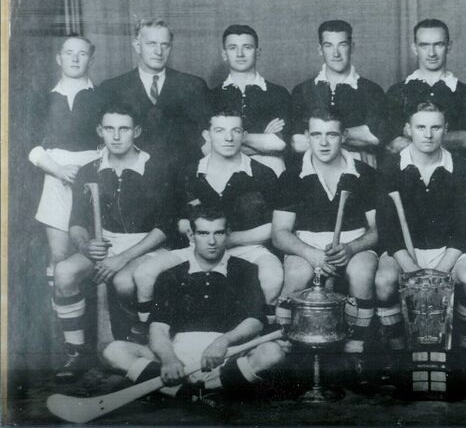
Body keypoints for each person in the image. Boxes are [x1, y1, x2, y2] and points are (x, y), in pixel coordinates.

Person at [103, 205, 289, 403]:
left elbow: (255, 321)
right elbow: (158, 328)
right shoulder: (171, 274)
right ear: (191, 235)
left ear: (227, 234)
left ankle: (193, 389)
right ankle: (201, 391)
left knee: (273, 353)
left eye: (218, 233)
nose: (211, 241)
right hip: (179, 353)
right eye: (203, 233)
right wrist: (169, 359)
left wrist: (222, 342)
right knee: (114, 351)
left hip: (227, 353)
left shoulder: (246, 269)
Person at [130, 109, 283, 343]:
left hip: (247, 248)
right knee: (144, 273)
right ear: (207, 135)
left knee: (272, 276)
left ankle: (263, 337)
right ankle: (149, 337)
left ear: (244, 135)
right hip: (196, 248)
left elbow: (275, 226)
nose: (228, 138)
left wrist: (232, 239)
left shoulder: (264, 174)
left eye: (236, 130)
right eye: (220, 131)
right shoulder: (188, 173)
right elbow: (173, 222)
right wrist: (203, 236)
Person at [53, 102, 173, 382]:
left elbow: (165, 228)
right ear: (100, 131)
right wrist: (85, 246)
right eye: (109, 129)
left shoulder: (157, 168)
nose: (116, 136)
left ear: (137, 131)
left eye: (124, 129)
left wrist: (122, 259)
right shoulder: (89, 170)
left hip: (148, 245)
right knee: (64, 272)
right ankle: (77, 351)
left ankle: (138, 343)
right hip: (105, 244)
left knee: (125, 281)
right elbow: (77, 223)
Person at [272, 109, 379, 380]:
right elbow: (280, 234)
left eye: (331, 134)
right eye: (316, 134)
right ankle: (285, 349)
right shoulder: (292, 175)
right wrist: (312, 254)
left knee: (362, 271)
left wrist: (352, 248)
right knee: (297, 273)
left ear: (343, 136)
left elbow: (378, 229)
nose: (323, 142)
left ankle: (355, 349)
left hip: (352, 242)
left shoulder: (364, 172)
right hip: (305, 243)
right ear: (307, 137)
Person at [375, 101, 466, 353]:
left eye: (435, 127)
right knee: (384, 281)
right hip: (403, 252)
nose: (428, 134)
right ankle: (398, 351)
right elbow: (387, 229)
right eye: (420, 127)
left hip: (449, 251)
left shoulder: (461, 167)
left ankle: (464, 352)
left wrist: (439, 274)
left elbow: (464, 227)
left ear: (445, 129)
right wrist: (412, 271)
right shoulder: (391, 167)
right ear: (408, 129)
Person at [28, 35, 102, 307]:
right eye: (68, 53)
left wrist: (89, 172)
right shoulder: (44, 100)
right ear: (58, 58)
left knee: (95, 253)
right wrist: (59, 170)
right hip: (56, 179)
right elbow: (32, 148)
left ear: (91, 60)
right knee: (59, 257)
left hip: (94, 179)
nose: (74, 58)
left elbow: (112, 139)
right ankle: (65, 334)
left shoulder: (103, 95)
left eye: (81, 53)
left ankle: (94, 330)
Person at [97, 18, 212, 169]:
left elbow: (208, 136)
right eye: (151, 44)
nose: (158, 51)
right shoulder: (112, 88)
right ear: (137, 46)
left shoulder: (194, 85)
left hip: (184, 177)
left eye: (164, 45)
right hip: (133, 177)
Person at [289, 20, 387, 167]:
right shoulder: (302, 90)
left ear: (351, 47)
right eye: (329, 45)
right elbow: (296, 142)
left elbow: (374, 137)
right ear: (320, 49)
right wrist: (351, 135)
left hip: (359, 167)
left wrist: (317, 136)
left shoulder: (371, 90)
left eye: (342, 45)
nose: (336, 53)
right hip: (312, 168)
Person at [385, 19, 466, 159]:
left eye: (439, 45)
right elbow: (395, 144)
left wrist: (414, 136)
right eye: (424, 45)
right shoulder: (397, 91)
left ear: (449, 46)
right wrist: (447, 138)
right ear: (414, 48)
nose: (432, 53)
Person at [209, 24, 291, 176]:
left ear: (258, 52)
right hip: (224, 172)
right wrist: (261, 139)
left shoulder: (278, 93)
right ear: (224, 54)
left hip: (271, 172)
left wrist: (231, 138)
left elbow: (277, 144)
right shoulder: (211, 96)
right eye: (233, 47)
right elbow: (208, 147)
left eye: (247, 47)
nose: (240, 54)